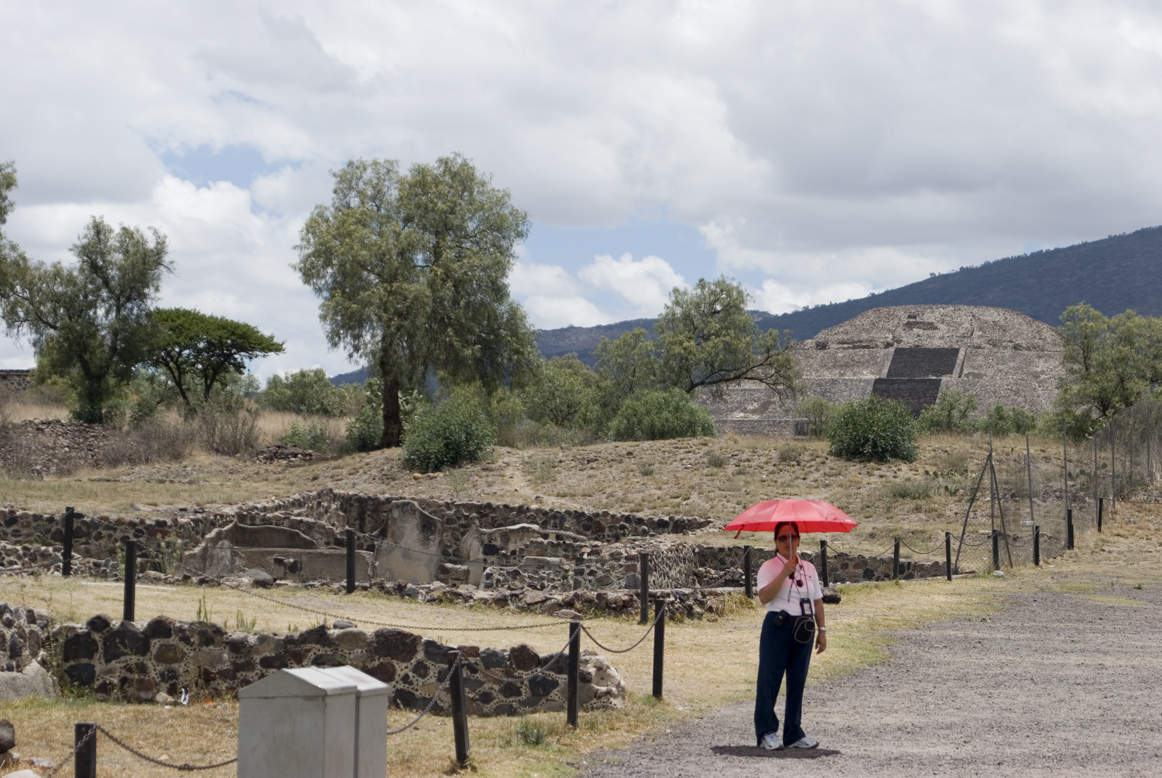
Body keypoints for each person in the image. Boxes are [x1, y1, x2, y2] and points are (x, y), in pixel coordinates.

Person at [753, 520, 826, 751]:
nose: (788, 542)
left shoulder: (809, 568)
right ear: (775, 542)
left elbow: (817, 600)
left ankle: (793, 732)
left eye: (792, 536)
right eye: (783, 538)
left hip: (804, 627)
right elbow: (764, 597)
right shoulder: (769, 566)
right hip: (778, 626)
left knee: (797, 681)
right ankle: (766, 731)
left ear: (799, 539)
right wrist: (785, 571)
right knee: (769, 680)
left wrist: (822, 630)